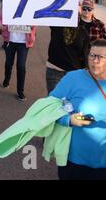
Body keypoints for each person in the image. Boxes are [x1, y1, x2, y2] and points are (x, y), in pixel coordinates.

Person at [49, 39, 106, 180]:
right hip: (75, 160)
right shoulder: (73, 78)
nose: (95, 60)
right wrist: (68, 120)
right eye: (92, 55)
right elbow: (49, 107)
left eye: (101, 57)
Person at [0, 12, 36, 102]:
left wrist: (32, 24)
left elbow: (35, 21)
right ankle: (6, 80)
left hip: (24, 42)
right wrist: (0, 25)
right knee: (8, 63)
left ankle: (20, 91)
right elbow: (0, 18)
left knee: (21, 66)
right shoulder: (9, 3)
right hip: (10, 41)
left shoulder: (31, 5)